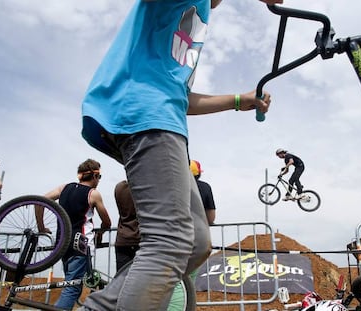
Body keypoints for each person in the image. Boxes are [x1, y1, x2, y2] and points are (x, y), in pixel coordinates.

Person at [78, 0, 282, 310]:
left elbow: (180, 95)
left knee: (197, 243)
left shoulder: (198, 16)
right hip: (145, 113)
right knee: (170, 242)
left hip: (167, 118)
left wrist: (241, 100)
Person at [41, 159, 111, 310]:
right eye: (99, 177)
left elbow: (41, 201)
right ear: (94, 176)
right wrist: (101, 234)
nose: (99, 181)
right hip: (80, 245)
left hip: (62, 245)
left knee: (71, 284)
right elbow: (107, 222)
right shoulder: (93, 194)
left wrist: (42, 227)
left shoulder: (64, 187)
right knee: (72, 288)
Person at [114, 180, 140, 272]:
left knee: (122, 279)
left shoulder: (119, 187)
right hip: (141, 239)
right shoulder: (143, 189)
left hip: (123, 239)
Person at [190, 160, 216, 225]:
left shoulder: (173, 186)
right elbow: (211, 218)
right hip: (199, 229)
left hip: (175, 230)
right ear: (198, 173)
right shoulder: (205, 187)